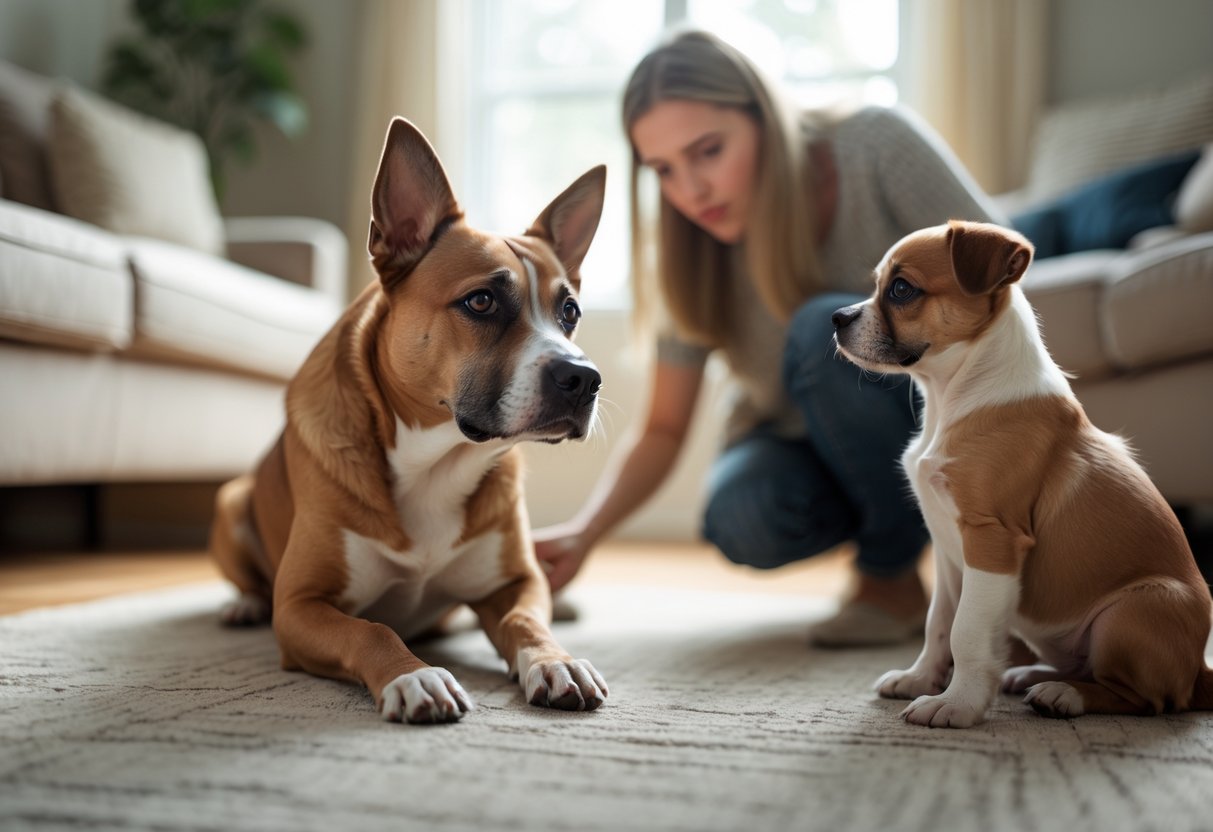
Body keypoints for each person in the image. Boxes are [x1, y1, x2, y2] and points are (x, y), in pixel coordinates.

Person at [534, 29, 1006, 647]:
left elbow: (1003, 280)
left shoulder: (874, 144)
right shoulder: (684, 251)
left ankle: (889, 576)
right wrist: (585, 533)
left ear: (762, 115)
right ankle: (888, 532)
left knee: (824, 330)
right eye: (663, 170)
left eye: (708, 151)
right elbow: (664, 428)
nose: (691, 190)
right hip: (800, 440)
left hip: (924, 414)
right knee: (742, 517)